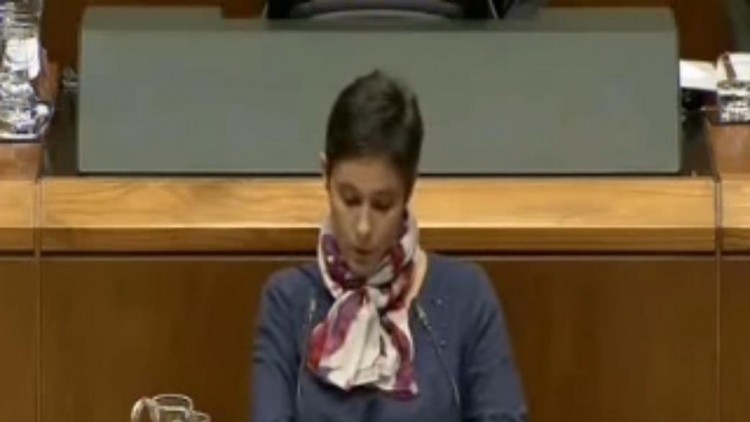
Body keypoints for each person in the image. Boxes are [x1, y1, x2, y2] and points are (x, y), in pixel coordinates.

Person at [252, 70, 527, 422]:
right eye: (350, 200)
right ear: (325, 175)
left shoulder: (466, 297)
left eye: (382, 205)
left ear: (409, 190)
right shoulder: (288, 302)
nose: (363, 227)